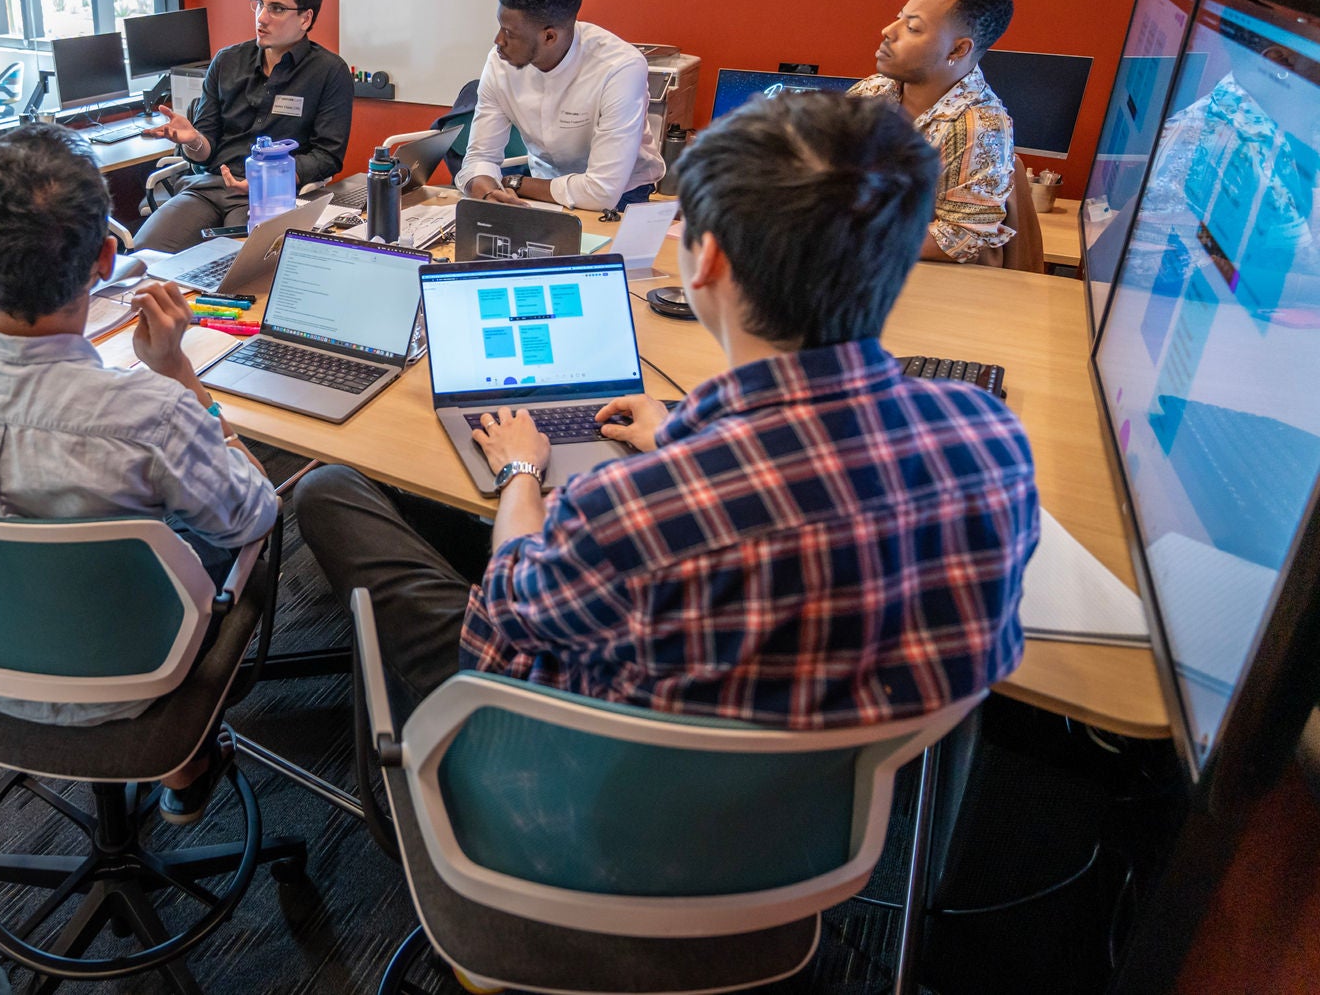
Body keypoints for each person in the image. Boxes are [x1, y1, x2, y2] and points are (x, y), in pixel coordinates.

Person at [292, 91, 1040, 725]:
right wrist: (682, 432)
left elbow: (506, 622)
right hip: (827, 820)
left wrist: (521, 471)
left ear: (705, 261)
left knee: (333, 489)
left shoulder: (624, 509)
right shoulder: (992, 442)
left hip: (572, 785)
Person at [0, 124, 279, 819]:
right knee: (236, 529)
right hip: (136, 672)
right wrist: (177, 371)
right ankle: (183, 762)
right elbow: (254, 513)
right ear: (107, 258)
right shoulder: (151, 414)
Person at [133, 0, 353, 252]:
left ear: (305, 18)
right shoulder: (226, 62)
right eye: (260, 4)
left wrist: (270, 180)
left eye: (276, 9)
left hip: (272, 198)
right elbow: (205, 150)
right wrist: (193, 140)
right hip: (209, 189)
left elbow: (327, 156)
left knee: (240, 263)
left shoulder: (329, 72)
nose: (261, 17)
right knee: (143, 254)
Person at [457, 0, 663, 211]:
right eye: (500, 26)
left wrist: (515, 183)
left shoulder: (619, 68)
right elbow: (480, 157)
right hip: (541, 185)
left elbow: (602, 192)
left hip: (623, 194)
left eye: (509, 33)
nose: (498, 40)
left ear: (549, 37)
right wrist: (488, 192)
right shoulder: (500, 62)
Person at [849, 0, 1019, 263]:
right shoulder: (873, 92)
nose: (888, 31)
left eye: (913, 28)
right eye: (899, 18)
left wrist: (849, 240)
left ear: (958, 49)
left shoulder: (978, 126)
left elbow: (962, 234)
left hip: (919, 275)